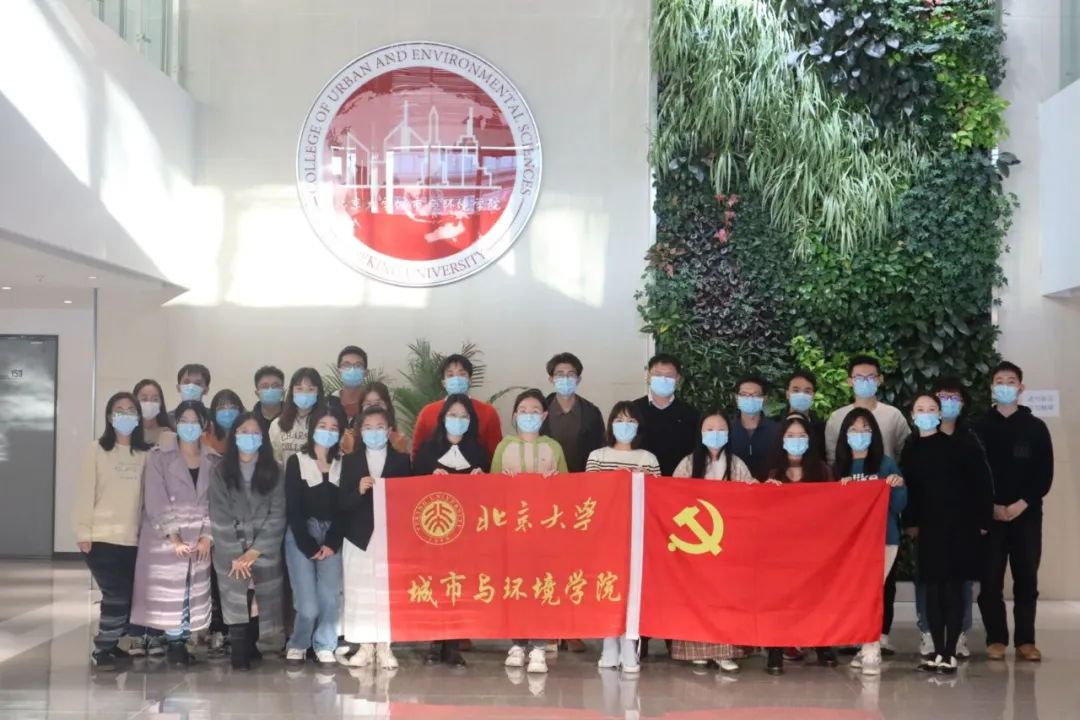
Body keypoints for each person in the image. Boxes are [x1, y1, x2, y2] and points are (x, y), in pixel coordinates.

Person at [902, 394, 994, 675]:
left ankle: (950, 651)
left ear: (940, 414)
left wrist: (982, 519)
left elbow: (981, 482)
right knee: (931, 589)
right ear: (912, 415)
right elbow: (910, 490)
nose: (926, 413)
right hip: (929, 528)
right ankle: (936, 650)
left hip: (959, 527)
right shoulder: (911, 449)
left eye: (932, 408)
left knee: (953, 588)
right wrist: (911, 521)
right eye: (920, 409)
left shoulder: (959, 445)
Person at [973, 361, 1054, 663]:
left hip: (1026, 515)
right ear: (991, 388)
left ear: (1021, 388)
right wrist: (990, 507)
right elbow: (972, 474)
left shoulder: (1036, 427)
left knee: (1026, 578)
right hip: (990, 515)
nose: (1005, 386)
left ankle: (1026, 641)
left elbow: (1044, 474)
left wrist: (1022, 504)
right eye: (999, 381)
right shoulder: (977, 427)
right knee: (990, 579)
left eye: (1011, 381)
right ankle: (996, 638)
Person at [130, 400, 216, 667]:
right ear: (176, 424)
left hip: (199, 535)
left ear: (204, 424)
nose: (189, 426)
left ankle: (185, 639)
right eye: (184, 421)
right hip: (165, 538)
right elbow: (156, 500)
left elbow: (217, 502)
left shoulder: (214, 460)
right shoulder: (159, 456)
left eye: (195, 421)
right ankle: (174, 642)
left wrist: (207, 535)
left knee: (191, 592)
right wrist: (174, 537)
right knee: (169, 593)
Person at [669, 410, 755, 674]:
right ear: (700, 433)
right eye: (709, 429)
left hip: (728, 543)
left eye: (720, 429)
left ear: (729, 433)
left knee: (725, 598)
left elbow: (750, 499)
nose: (715, 434)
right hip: (695, 543)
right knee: (696, 598)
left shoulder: (737, 465)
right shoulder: (688, 464)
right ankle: (698, 651)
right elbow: (672, 497)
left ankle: (724, 651)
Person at [72, 392, 150, 669]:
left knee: (124, 595)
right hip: (101, 538)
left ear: (138, 417)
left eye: (131, 410)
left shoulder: (145, 455)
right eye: (120, 410)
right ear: (109, 416)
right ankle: (102, 648)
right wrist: (83, 531)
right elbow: (85, 492)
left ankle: (113, 641)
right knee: (116, 594)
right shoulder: (96, 449)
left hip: (133, 539)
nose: (126, 415)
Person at [413, 395, 491, 668]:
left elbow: (490, 491)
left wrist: (481, 480)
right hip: (434, 531)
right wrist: (430, 479)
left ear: (471, 421)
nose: (458, 420)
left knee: (460, 585)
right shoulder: (427, 450)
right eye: (453, 415)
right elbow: (412, 486)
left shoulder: (478, 451)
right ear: (443, 418)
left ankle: (454, 645)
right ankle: (435, 642)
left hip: (467, 531)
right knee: (436, 584)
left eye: (463, 416)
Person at [208, 412, 287, 670]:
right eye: (244, 432)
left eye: (255, 433)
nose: (249, 437)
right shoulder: (220, 472)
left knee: (259, 598)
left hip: (264, 548)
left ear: (263, 438)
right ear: (234, 436)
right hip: (230, 548)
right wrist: (237, 553)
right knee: (237, 598)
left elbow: (278, 514)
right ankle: (239, 651)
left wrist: (255, 551)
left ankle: (253, 645)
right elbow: (218, 514)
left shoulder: (276, 471)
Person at [586, 401, 660, 673]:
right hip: (606, 534)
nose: (624, 426)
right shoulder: (598, 456)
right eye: (619, 420)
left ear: (639, 426)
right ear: (610, 425)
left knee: (633, 589)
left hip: (637, 534)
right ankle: (609, 642)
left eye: (630, 421)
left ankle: (630, 643)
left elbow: (658, 497)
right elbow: (590, 493)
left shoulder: (648, 458)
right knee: (607, 586)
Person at [833, 408, 907, 676]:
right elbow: (831, 512)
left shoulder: (885, 464)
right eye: (854, 429)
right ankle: (861, 643)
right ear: (845, 435)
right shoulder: (838, 468)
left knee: (874, 592)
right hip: (851, 545)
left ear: (874, 434)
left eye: (865, 429)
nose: (860, 434)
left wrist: (896, 485)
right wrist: (840, 493)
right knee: (857, 593)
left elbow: (899, 506)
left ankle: (871, 646)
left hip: (884, 539)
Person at [338, 406, 413, 669]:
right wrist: (358, 490)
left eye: (379, 427)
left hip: (390, 538)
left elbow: (409, 502)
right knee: (360, 592)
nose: (374, 432)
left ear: (389, 430)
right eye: (368, 428)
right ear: (360, 431)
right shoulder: (350, 461)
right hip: (358, 537)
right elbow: (341, 503)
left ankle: (385, 646)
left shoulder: (402, 461)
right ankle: (364, 646)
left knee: (387, 593)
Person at [764, 414, 835, 675]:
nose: (796, 441)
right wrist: (764, 491)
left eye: (801, 436)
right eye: (790, 436)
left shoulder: (822, 471)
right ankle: (776, 648)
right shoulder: (774, 473)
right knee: (779, 599)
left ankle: (822, 644)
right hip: (781, 550)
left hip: (815, 548)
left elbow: (836, 506)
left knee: (817, 598)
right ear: (782, 441)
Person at [283, 404, 347, 665]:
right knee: (307, 603)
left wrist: (332, 542)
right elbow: (293, 508)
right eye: (323, 426)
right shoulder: (297, 461)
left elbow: (346, 507)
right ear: (312, 429)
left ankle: (325, 643)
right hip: (302, 533)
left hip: (334, 534)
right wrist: (308, 545)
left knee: (330, 596)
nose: (328, 432)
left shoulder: (344, 463)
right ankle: (299, 642)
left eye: (334, 428)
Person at [412, 354, 503, 459]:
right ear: (443, 382)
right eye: (450, 375)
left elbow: (496, 454)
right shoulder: (427, 412)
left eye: (462, 374)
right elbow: (416, 453)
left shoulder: (488, 412)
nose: (456, 379)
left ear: (470, 380)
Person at [824, 355, 910, 465]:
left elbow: (906, 452)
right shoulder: (837, 417)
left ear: (880, 380)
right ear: (850, 381)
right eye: (859, 378)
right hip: (847, 475)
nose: (865, 381)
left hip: (886, 475)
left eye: (871, 377)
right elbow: (831, 457)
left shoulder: (893, 415)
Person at [632, 353, 699, 477]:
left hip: (678, 481)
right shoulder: (633, 410)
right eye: (658, 375)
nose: (663, 379)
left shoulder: (690, 414)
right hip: (641, 479)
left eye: (669, 376)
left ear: (677, 379)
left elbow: (695, 453)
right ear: (648, 376)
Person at [540, 352, 605, 474]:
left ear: (578, 379)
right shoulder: (540, 411)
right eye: (560, 374)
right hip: (547, 477)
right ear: (551, 379)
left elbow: (600, 449)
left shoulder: (592, 413)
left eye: (571, 374)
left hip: (582, 478)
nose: (565, 379)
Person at [491, 389, 569, 476]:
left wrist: (556, 478)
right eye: (523, 411)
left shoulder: (554, 447)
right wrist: (501, 477)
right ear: (516, 416)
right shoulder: (503, 446)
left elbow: (566, 481)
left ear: (544, 416)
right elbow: (492, 481)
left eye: (535, 411)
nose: (529, 416)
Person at [269, 367, 325, 467]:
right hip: (287, 476)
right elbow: (275, 462)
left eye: (311, 389)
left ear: (318, 392)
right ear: (292, 391)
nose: (305, 394)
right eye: (299, 389)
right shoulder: (277, 424)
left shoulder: (326, 424)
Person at [729, 374, 780, 479]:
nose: (750, 398)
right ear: (736, 398)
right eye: (744, 395)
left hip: (768, 487)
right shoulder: (726, 430)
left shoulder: (777, 431)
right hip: (734, 487)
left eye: (756, 395)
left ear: (765, 398)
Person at [341, 382, 409, 455]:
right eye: (368, 404)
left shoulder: (398, 440)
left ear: (388, 407)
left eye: (378, 404)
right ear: (361, 409)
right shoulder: (350, 438)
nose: (373, 409)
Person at [783, 370, 826, 453]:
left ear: (813, 396)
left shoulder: (822, 429)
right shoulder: (774, 426)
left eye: (807, 391)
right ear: (787, 394)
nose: (801, 395)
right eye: (796, 390)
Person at [329, 345, 369, 426]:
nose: (352, 370)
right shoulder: (328, 402)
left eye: (358, 365)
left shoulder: (372, 403)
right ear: (338, 372)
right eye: (346, 365)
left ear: (366, 373)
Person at [203, 389, 245, 455]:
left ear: (240, 411)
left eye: (232, 407)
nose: (227, 412)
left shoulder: (247, 437)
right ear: (214, 413)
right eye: (221, 408)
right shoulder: (205, 438)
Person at [134, 379, 172, 446]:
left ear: (161, 403)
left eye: (155, 399)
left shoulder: (168, 434)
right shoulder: (129, 433)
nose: (149, 403)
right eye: (144, 399)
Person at [252, 366, 286, 434]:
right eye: (264, 386)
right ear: (257, 393)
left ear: (283, 391)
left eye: (275, 386)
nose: (270, 390)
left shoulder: (295, 419)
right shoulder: (248, 421)